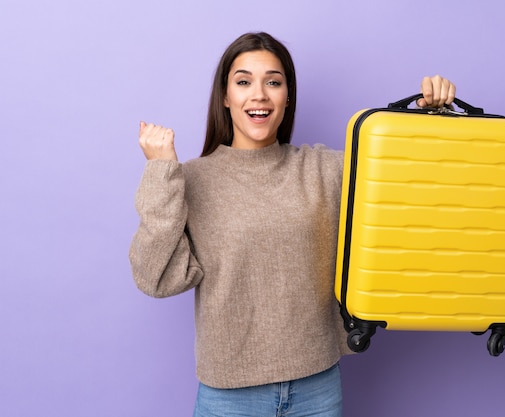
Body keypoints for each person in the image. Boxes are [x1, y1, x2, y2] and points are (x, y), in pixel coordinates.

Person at [129, 32, 456, 417]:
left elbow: (413, 181)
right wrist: (161, 170)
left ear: (287, 96)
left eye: (273, 81)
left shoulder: (325, 169)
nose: (259, 94)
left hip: (317, 387)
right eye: (244, 81)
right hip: (230, 397)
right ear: (225, 96)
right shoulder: (192, 180)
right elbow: (156, 278)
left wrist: (430, 114)